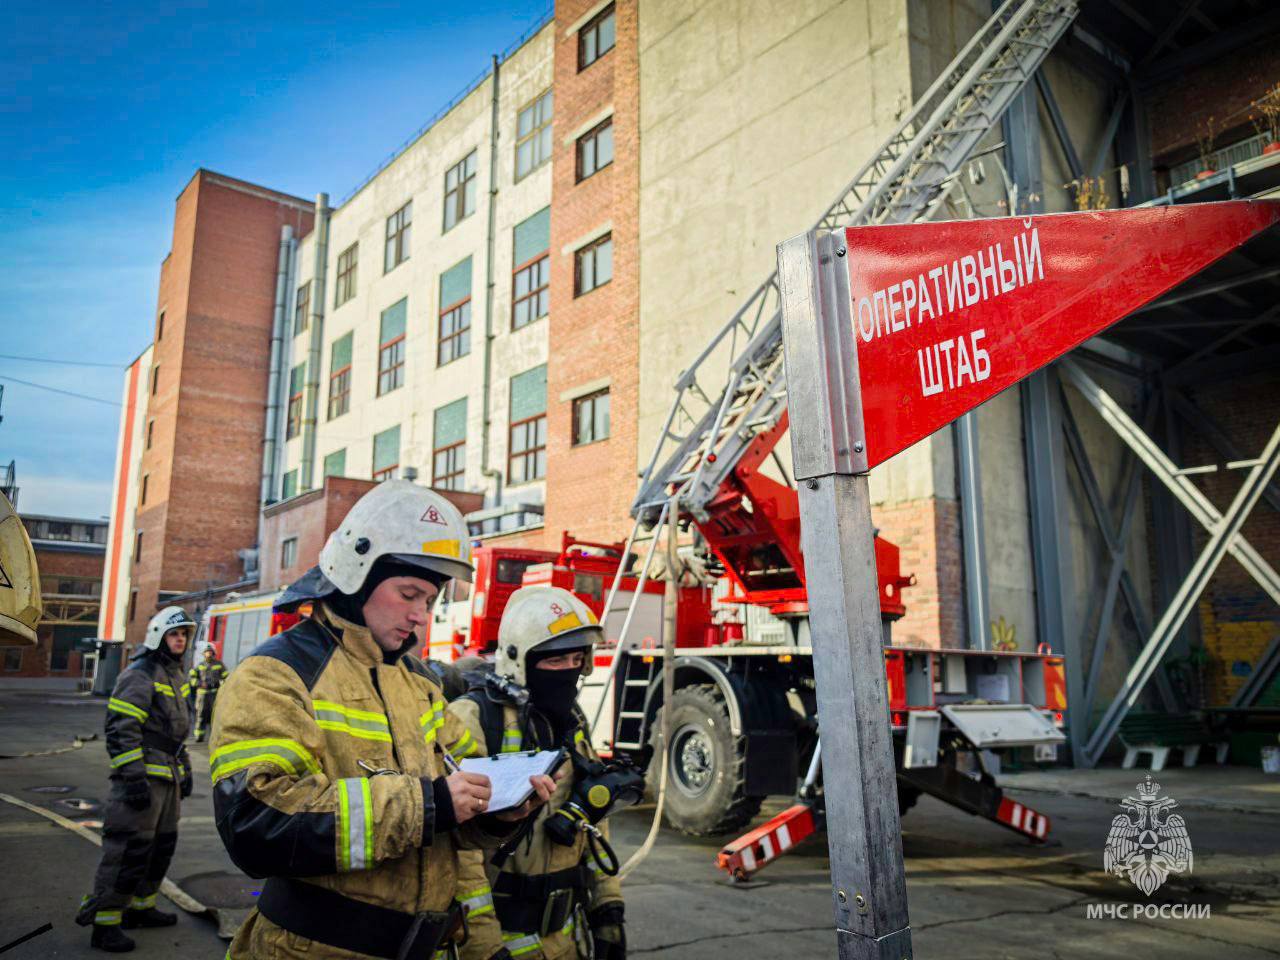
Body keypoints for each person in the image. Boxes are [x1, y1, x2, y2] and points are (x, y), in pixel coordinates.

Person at [209, 480, 557, 960]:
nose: (420, 616)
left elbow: (456, 813)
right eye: (409, 593)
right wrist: (428, 803)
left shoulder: (420, 684)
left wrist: (498, 813)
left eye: (430, 601)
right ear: (357, 574)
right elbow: (255, 825)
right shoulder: (275, 675)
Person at [447, 587, 626, 960]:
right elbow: (456, 851)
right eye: (556, 661)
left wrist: (607, 908)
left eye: (578, 659)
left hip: (566, 940)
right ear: (520, 661)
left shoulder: (571, 722)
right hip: (501, 940)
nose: (569, 672)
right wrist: (483, 946)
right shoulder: (474, 719)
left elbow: (592, 818)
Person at [76, 606, 196, 953]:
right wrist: (132, 779)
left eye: (184, 635)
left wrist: (184, 769)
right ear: (159, 636)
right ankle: (105, 922)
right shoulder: (140, 673)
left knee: (160, 849)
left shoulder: (175, 675)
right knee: (128, 851)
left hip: (168, 777)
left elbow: (174, 733)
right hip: (142, 779)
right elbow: (120, 730)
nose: (180, 640)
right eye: (175, 634)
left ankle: (142, 909)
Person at [188, 644, 227, 742]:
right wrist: (199, 683)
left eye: (210, 652)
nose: (209, 654)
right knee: (200, 715)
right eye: (207, 652)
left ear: (213, 653)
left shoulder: (219, 664)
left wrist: (221, 684)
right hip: (202, 695)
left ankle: (215, 737)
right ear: (204, 654)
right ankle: (199, 736)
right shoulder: (200, 666)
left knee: (215, 716)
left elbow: (226, 677)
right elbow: (192, 678)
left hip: (215, 694)